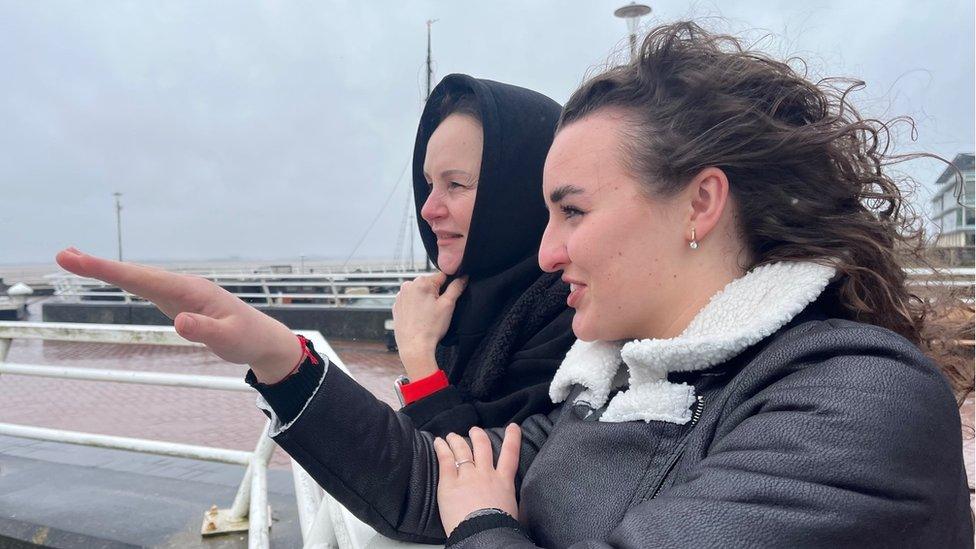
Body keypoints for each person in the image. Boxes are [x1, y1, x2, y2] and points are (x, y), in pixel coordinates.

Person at [56, 22, 973, 548]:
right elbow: (435, 480)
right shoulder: (617, 386)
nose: (544, 252)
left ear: (700, 202)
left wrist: (488, 522)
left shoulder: (855, 407)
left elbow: (472, 501)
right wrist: (278, 359)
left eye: (572, 210)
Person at [392, 74, 576, 435]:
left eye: (455, 184)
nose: (428, 209)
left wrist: (419, 359)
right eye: (428, 184)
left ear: (521, 191)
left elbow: (490, 481)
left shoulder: (574, 321)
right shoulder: (464, 307)